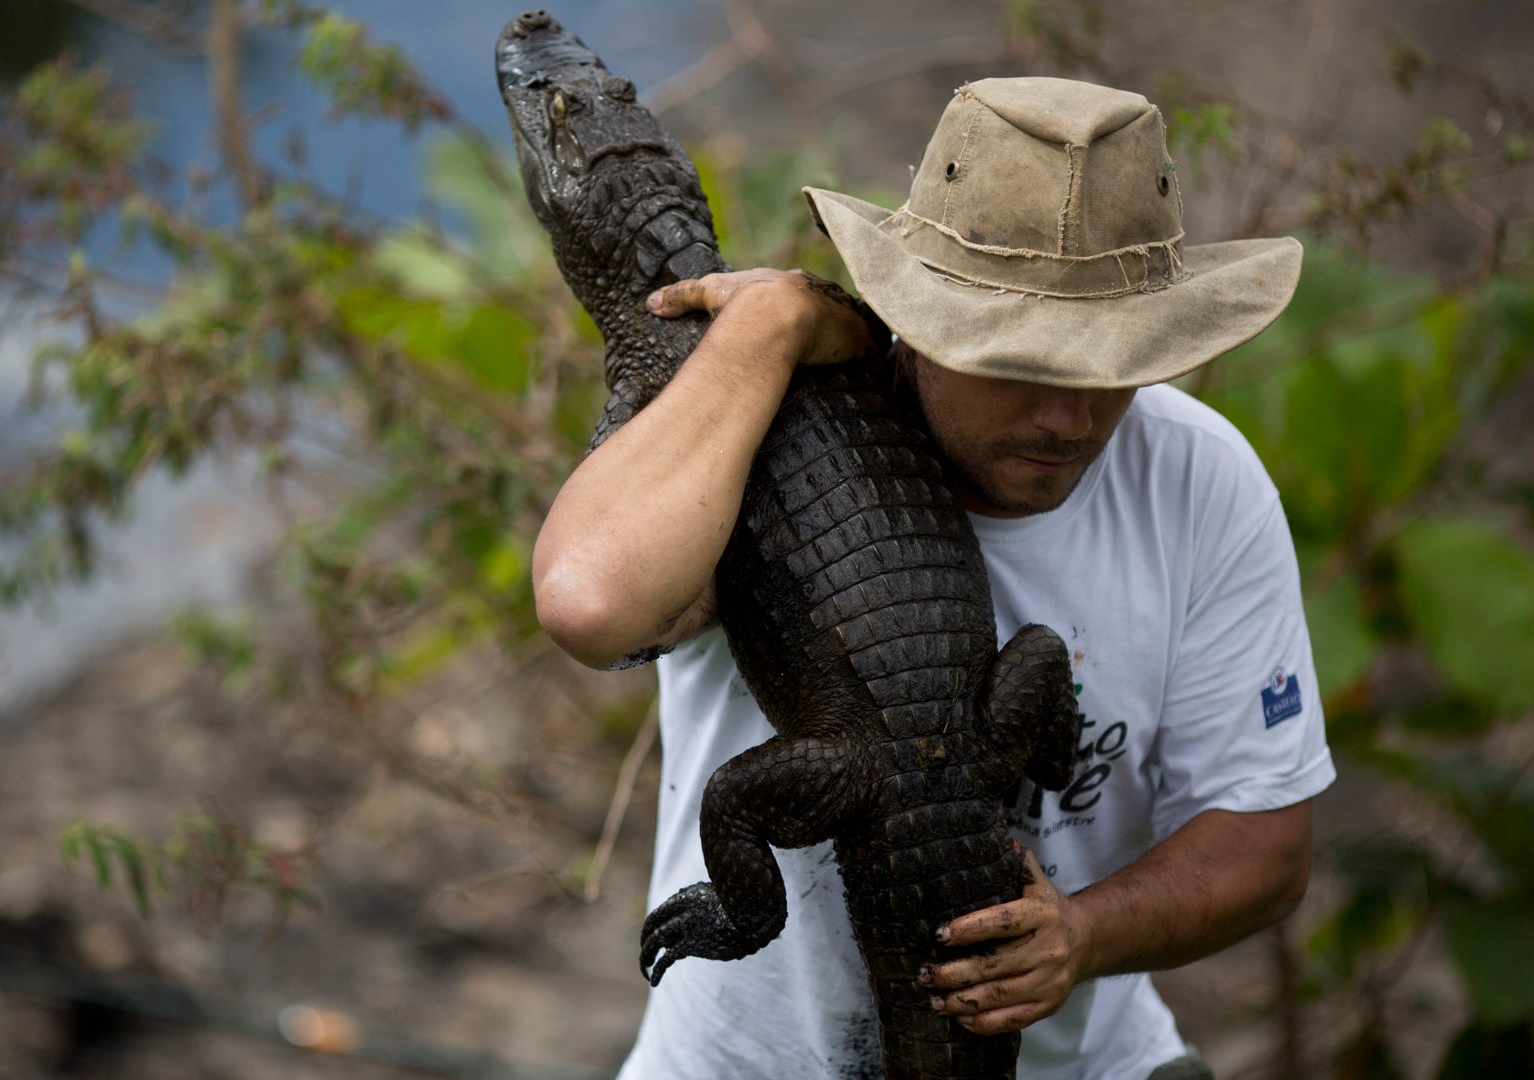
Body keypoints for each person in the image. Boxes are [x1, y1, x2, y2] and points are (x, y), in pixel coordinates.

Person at [531, 77, 1336, 1079]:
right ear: (918, 313)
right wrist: (771, 324)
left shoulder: (1201, 479)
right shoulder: (741, 430)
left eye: (1109, 361)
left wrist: (1081, 934)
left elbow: (1267, 850)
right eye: (1021, 359)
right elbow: (588, 603)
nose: (1068, 418)